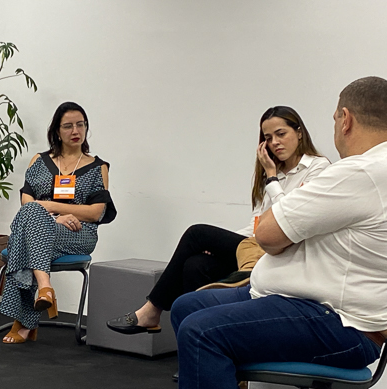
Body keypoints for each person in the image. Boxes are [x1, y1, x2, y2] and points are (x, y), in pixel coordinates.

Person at [138, 76, 387, 389]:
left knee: (201, 330)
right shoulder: (367, 172)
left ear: (345, 119)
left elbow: (269, 234)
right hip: (309, 301)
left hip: (338, 321)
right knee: (188, 306)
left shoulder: (359, 172)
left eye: (334, 119)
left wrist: (285, 218)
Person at [107, 106, 329, 335]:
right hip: (258, 249)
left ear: (299, 132)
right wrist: (217, 246)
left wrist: (272, 179)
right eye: (268, 138)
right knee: (196, 265)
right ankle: (195, 343)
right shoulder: (273, 172)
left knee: (197, 233)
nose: (275, 143)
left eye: (281, 134)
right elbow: (256, 226)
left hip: (287, 253)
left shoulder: (317, 169)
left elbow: (290, 219)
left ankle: (151, 311)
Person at [0, 102, 116, 344]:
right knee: (33, 219)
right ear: (56, 131)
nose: (75, 131)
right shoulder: (39, 161)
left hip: (78, 232)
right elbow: (26, 202)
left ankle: (26, 320)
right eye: (68, 126)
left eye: (80, 125)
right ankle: (45, 288)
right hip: (41, 228)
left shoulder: (98, 167)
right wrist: (53, 218)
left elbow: (95, 213)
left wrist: (52, 208)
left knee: (26, 237)